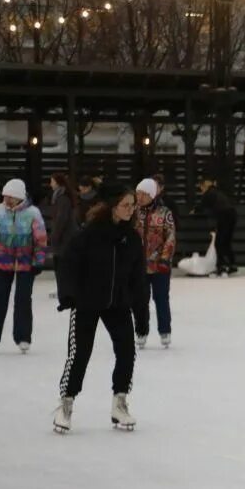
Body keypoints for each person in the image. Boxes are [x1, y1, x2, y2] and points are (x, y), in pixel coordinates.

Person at [53, 186, 146, 433]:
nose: (131, 209)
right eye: (126, 204)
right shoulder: (90, 234)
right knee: (80, 354)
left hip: (118, 303)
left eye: (133, 205)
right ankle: (66, 403)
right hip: (87, 301)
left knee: (127, 352)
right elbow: (68, 263)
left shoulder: (132, 239)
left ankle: (120, 402)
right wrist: (69, 294)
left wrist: (142, 316)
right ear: (113, 206)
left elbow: (138, 279)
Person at [0, 179, 47, 353]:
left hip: (26, 263)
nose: (6, 200)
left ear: (19, 197)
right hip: (3, 261)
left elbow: (40, 240)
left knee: (23, 299)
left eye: (10, 197)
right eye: (5, 196)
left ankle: (23, 337)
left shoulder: (33, 213)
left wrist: (38, 262)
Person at [131, 178, 177, 349]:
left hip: (159, 265)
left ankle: (165, 331)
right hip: (138, 266)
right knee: (140, 300)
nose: (139, 197)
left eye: (143, 194)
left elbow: (170, 237)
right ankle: (141, 331)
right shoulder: (133, 212)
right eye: (137, 194)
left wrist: (165, 259)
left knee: (161, 298)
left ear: (151, 194)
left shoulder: (165, 213)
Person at [42, 173, 78, 298]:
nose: (50, 184)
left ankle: (65, 291)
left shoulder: (62, 198)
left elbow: (61, 219)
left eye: (52, 181)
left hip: (65, 239)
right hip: (65, 238)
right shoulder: (61, 196)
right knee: (61, 266)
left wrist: (54, 236)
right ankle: (64, 290)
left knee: (62, 266)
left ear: (58, 182)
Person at [193, 177, 238, 276]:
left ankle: (221, 266)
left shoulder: (209, 193)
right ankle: (232, 264)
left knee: (219, 243)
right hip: (232, 215)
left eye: (201, 187)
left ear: (204, 185)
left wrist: (194, 210)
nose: (201, 190)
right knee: (226, 242)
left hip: (224, 216)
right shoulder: (217, 192)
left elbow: (202, 205)